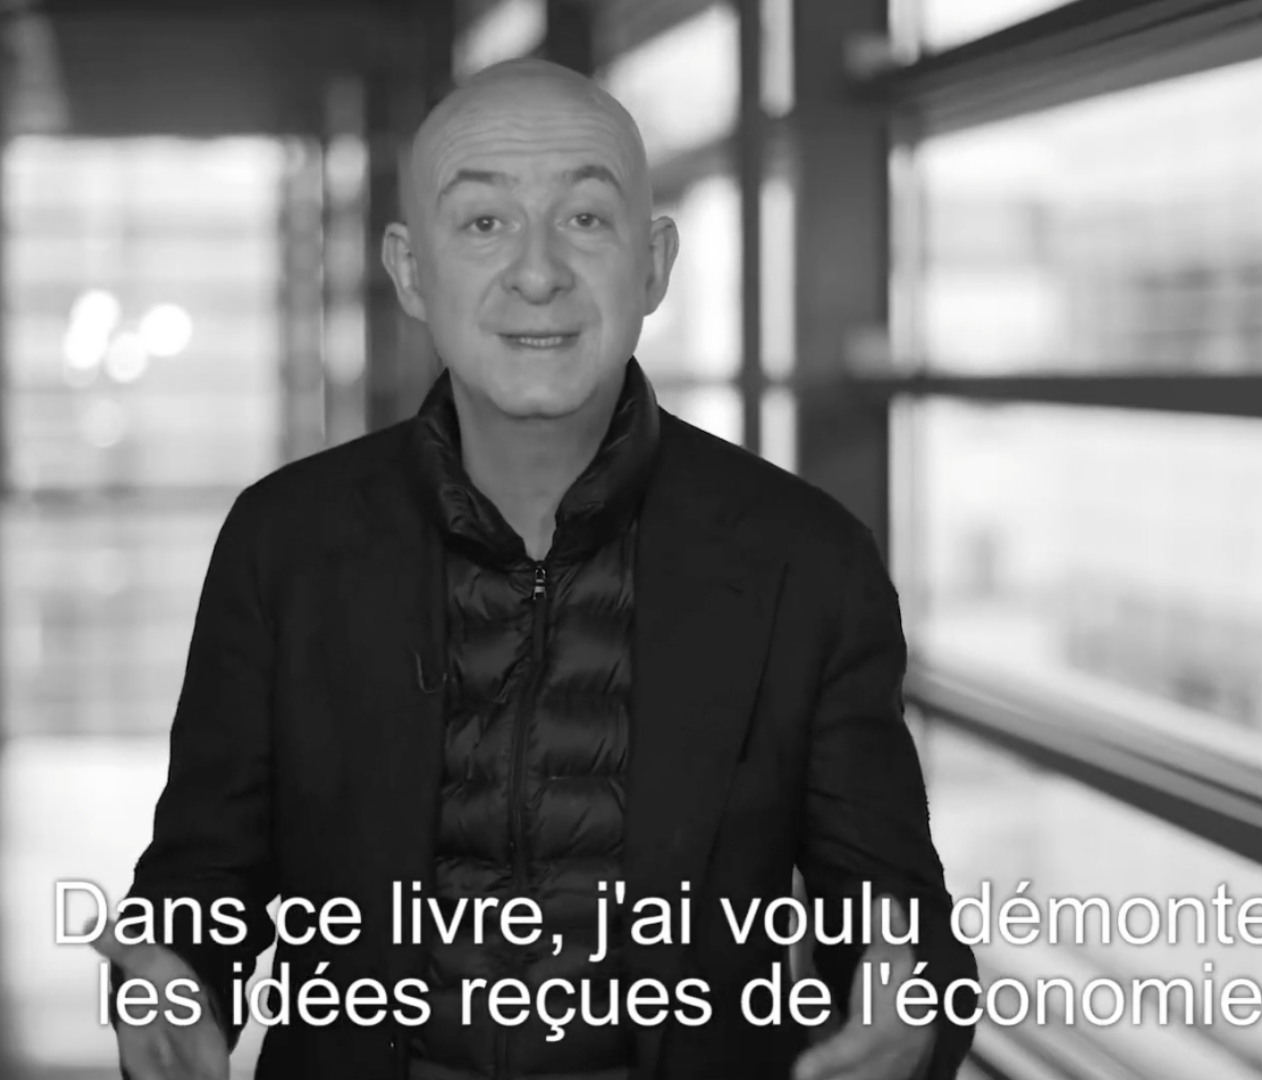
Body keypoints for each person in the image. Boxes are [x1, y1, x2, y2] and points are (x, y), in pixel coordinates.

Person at [93, 57, 975, 1080]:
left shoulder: (805, 559)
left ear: (654, 264)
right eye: (484, 223)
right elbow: (202, 884)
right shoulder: (285, 542)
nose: (539, 273)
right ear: (409, 270)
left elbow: (896, 922)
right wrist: (172, 987)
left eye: (586, 220)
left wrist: (909, 1015)